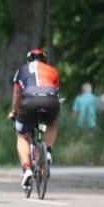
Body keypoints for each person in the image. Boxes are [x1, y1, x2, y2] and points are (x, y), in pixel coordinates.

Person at [9, 48, 61, 189]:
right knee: (52, 124)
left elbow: (17, 93)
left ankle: (26, 169)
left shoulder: (21, 70)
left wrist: (14, 112)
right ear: (44, 60)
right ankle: (48, 150)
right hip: (50, 99)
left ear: (28, 60)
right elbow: (55, 90)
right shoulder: (52, 70)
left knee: (21, 135)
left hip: (30, 101)